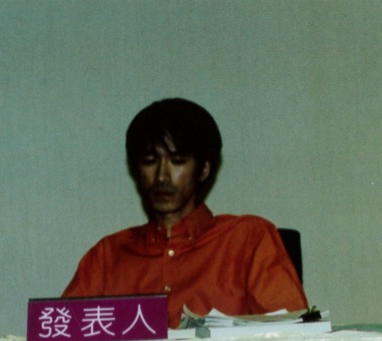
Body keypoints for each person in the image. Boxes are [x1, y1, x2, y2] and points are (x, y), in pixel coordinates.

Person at [61, 98, 307, 328]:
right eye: (150, 160)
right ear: (136, 170)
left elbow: (294, 337)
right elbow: (61, 338)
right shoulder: (107, 257)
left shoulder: (248, 239)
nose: (162, 176)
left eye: (177, 161)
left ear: (203, 170)